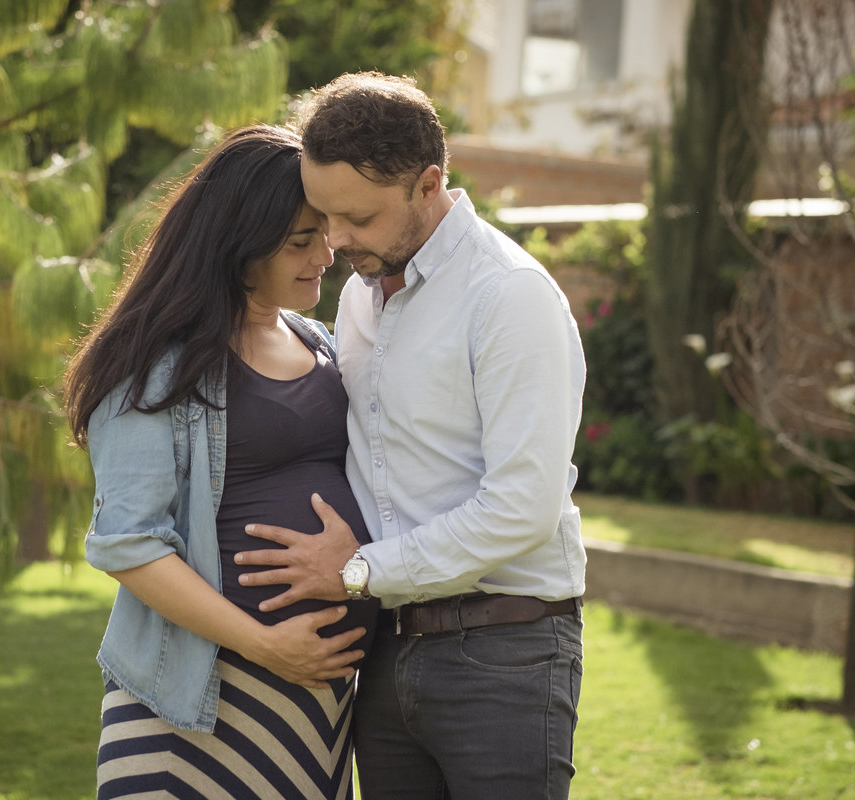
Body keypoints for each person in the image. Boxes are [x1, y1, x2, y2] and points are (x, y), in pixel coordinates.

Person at [235, 72, 588, 798]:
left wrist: (359, 570)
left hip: (505, 652)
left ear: (428, 186)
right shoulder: (363, 292)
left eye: (357, 218)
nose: (335, 241)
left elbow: (524, 507)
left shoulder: (508, 297)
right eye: (325, 216)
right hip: (388, 652)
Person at [63, 123, 380, 800]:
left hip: (315, 711)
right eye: (302, 239)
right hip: (191, 710)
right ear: (239, 241)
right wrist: (266, 645)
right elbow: (130, 546)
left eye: (324, 230)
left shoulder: (322, 342)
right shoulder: (154, 363)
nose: (327, 253)